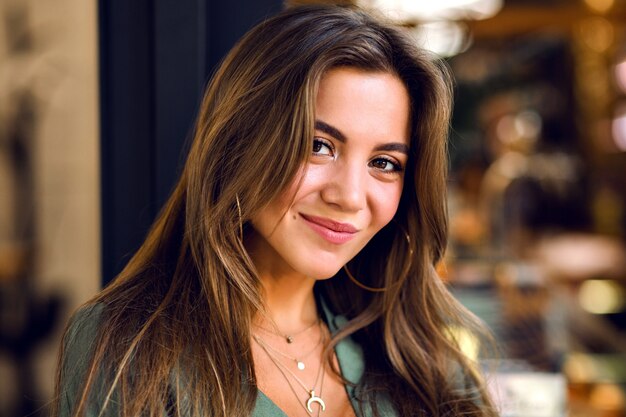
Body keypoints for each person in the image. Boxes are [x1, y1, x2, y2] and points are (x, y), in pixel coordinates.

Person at [54, 4, 497, 417]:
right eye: (317, 146)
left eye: (384, 163)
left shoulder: (421, 358)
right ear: (241, 140)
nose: (349, 196)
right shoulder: (131, 346)